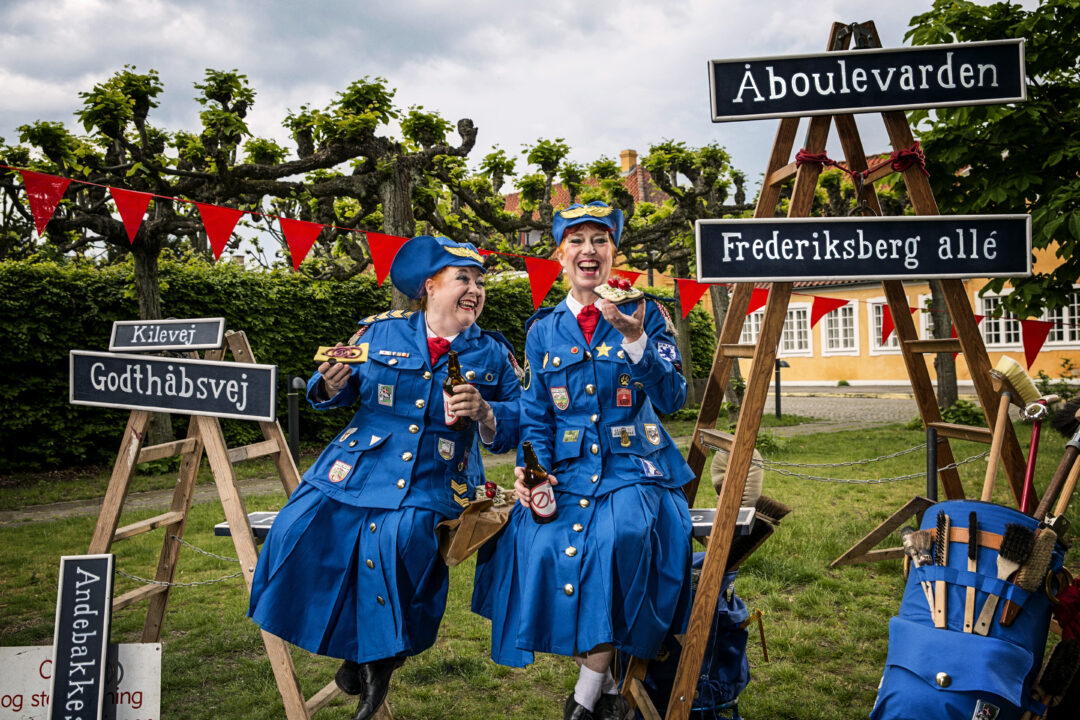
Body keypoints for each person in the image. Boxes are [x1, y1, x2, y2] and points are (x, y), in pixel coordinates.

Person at [249, 235, 521, 720]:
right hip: (358, 463)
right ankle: (358, 651)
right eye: (463, 278)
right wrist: (330, 382)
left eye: (480, 282)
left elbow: (520, 419)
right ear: (430, 286)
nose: (475, 289)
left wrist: (485, 412)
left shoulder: (493, 354)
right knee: (297, 529)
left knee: (402, 539)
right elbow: (330, 384)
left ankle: (377, 661)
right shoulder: (379, 331)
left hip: (437, 473)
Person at [472, 201, 694, 720]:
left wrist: (636, 338)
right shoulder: (543, 329)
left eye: (600, 239)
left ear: (614, 252)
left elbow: (673, 398)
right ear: (560, 255)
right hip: (567, 472)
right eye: (576, 240)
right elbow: (536, 414)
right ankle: (609, 673)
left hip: (634, 468)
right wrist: (533, 470)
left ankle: (586, 695)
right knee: (534, 542)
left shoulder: (648, 312)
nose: (588, 250)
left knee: (622, 539)